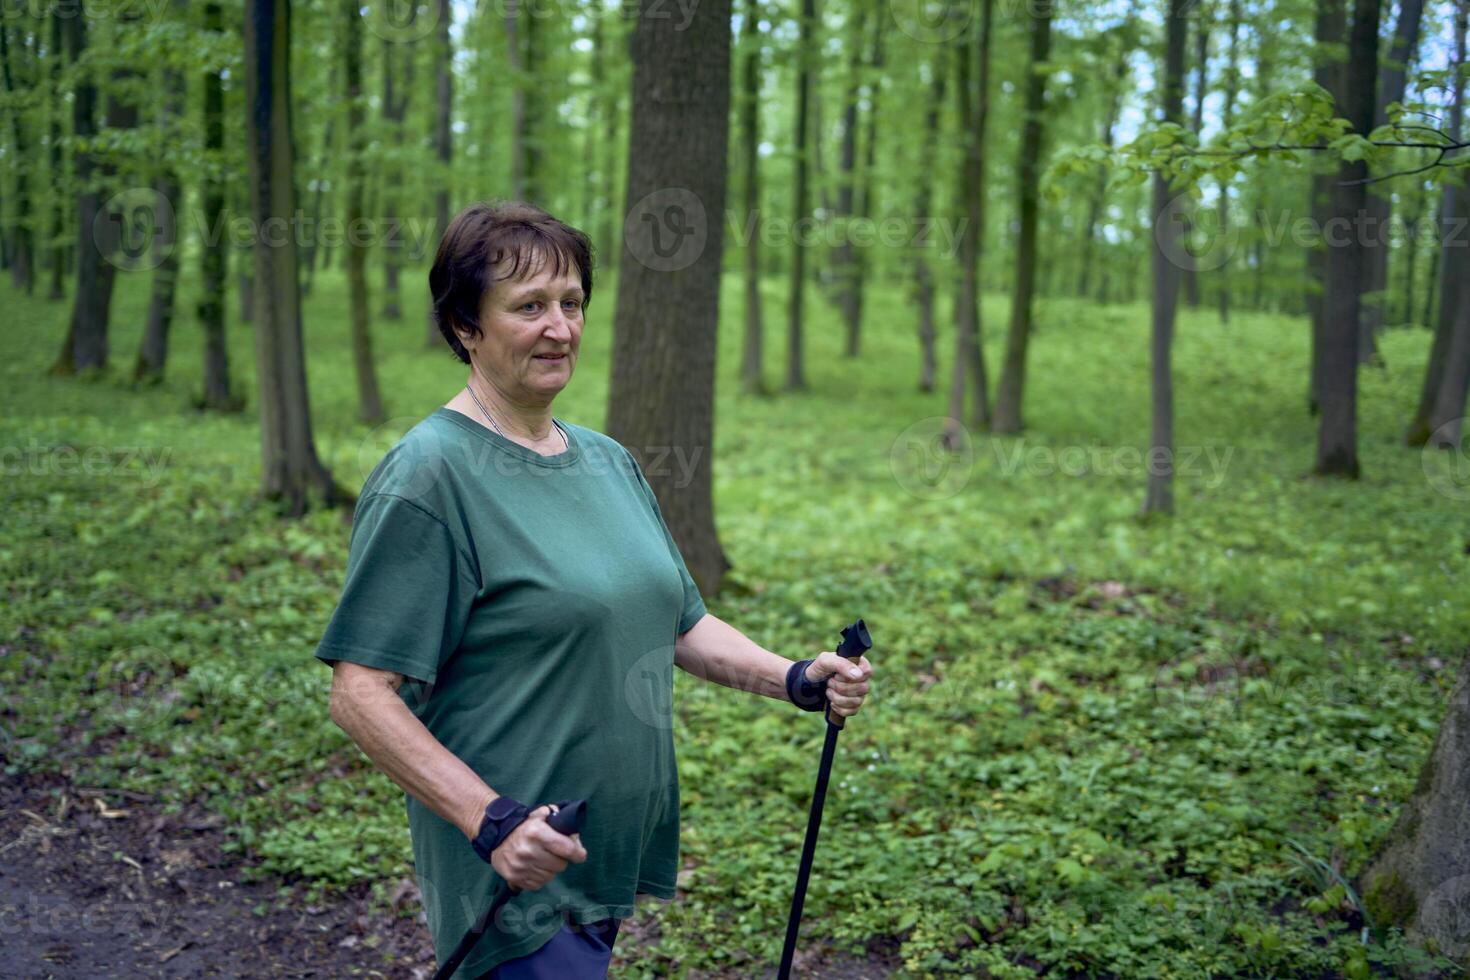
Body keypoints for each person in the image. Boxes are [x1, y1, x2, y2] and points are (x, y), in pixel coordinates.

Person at [314, 200, 874, 979]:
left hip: (600, 855)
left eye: (571, 302)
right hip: (513, 877)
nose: (560, 327)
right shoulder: (430, 476)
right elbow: (360, 692)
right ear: (465, 327)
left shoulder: (606, 460)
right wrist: (493, 821)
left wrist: (795, 679)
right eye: (529, 306)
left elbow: (678, 623)